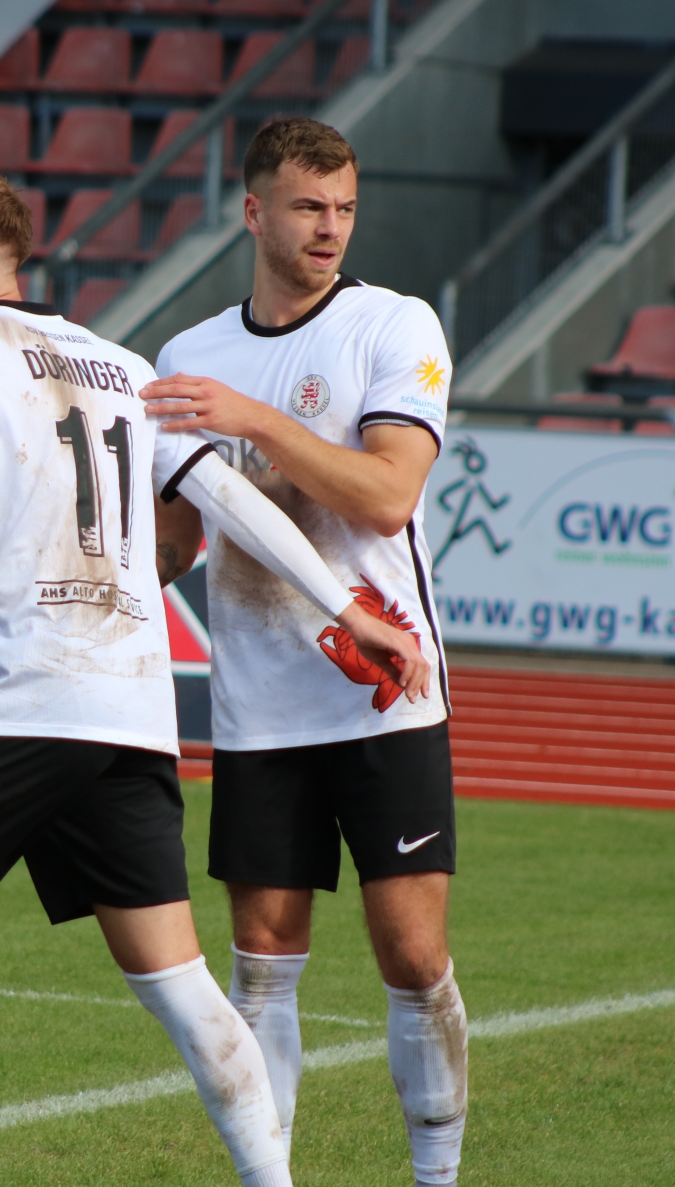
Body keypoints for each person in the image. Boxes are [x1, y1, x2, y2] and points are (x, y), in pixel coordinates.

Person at [0, 168, 429, 1187]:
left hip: (33, 697)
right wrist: (348, 609)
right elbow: (231, 499)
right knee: (180, 982)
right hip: (135, 712)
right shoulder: (118, 363)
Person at [142, 116, 468, 1187]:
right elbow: (177, 543)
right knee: (264, 970)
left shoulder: (394, 324)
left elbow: (388, 495)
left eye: (344, 209)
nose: (330, 228)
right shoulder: (189, 356)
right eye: (308, 207)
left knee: (412, 958)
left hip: (384, 695)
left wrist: (256, 421)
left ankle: (435, 1177)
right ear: (253, 211)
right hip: (259, 705)